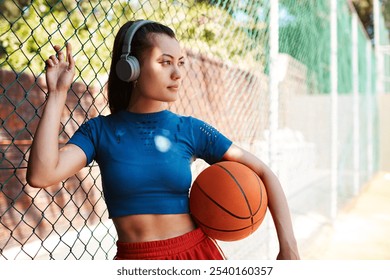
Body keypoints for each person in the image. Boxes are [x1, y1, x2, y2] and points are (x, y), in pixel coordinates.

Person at [27, 20, 299, 260]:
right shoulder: (99, 131)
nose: (178, 73)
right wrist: (58, 93)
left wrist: (289, 248)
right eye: (165, 62)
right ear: (130, 69)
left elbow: (263, 172)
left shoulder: (191, 129)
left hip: (196, 255)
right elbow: (42, 174)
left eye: (180, 63)